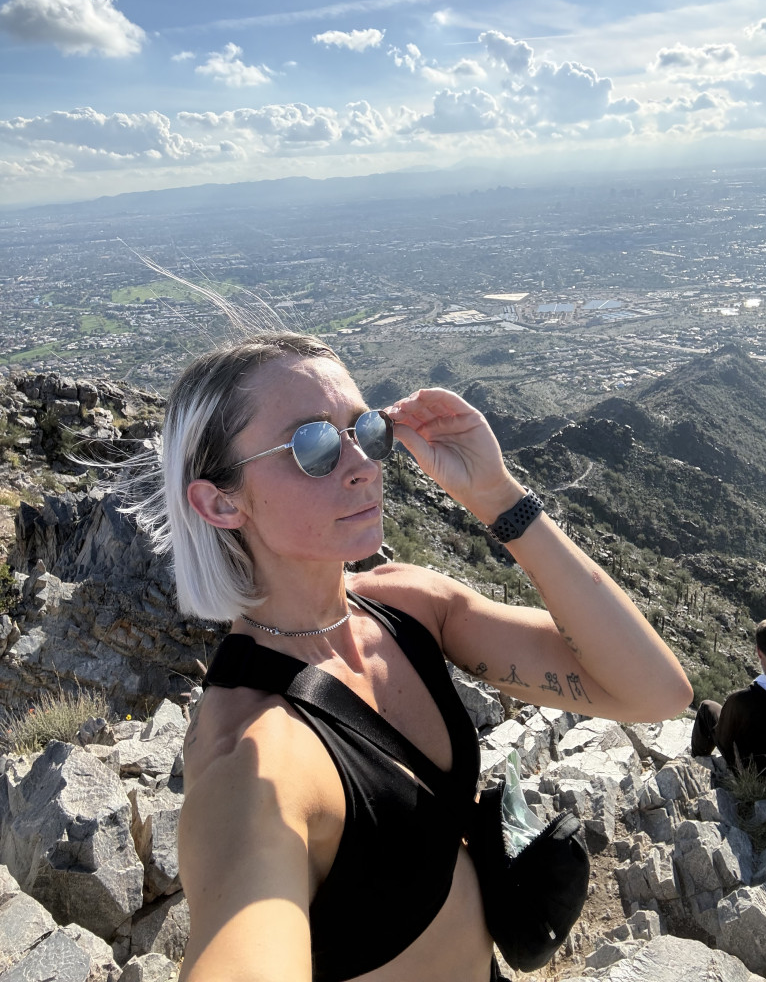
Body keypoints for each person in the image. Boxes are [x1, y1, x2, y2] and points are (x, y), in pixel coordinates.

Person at [133, 330, 691, 982]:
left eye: (365, 429)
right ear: (221, 502)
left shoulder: (408, 605)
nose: (363, 464)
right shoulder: (255, 760)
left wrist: (498, 496)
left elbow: (656, 692)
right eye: (312, 446)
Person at [691, 617, 766, 795]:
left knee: (707, 708)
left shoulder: (741, 701)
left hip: (757, 780)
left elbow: (725, 740)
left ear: (758, 653)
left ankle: (696, 769)